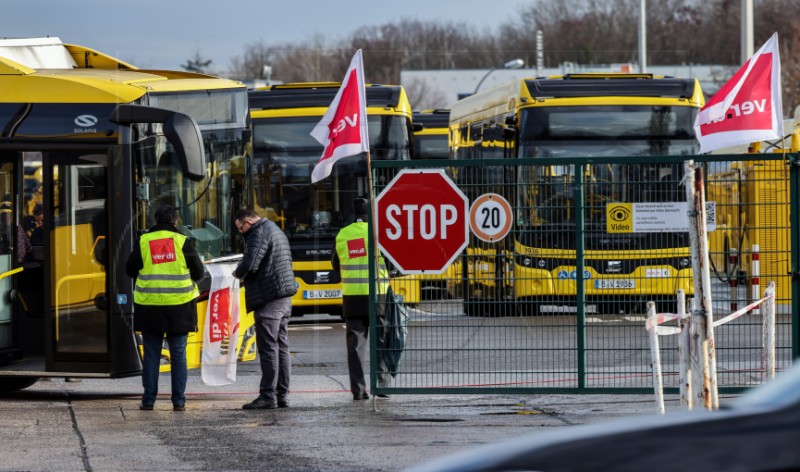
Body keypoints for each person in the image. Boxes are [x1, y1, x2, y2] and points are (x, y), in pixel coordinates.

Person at [125, 204, 203, 412]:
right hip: (179, 307)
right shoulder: (182, 241)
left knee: (151, 354)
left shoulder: (143, 241)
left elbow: (129, 269)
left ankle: (149, 400)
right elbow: (199, 272)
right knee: (178, 354)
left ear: (156, 220)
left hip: (149, 306)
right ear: (175, 221)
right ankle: (178, 401)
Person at [233, 206, 297, 410]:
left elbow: (250, 264)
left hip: (269, 297)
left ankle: (268, 395)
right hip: (283, 296)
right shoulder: (275, 230)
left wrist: (236, 273)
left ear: (248, 222)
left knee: (269, 347)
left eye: (240, 228)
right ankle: (282, 395)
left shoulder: (258, 233)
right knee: (281, 346)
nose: (241, 232)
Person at [331, 197, 389, 401]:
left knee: (355, 345)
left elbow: (335, 264)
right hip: (378, 295)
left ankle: (358, 389)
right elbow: (392, 263)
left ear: (352, 213)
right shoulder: (380, 232)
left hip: (352, 297)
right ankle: (381, 385)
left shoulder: (343, 234)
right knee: (382, 341)